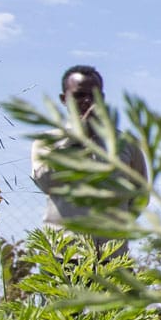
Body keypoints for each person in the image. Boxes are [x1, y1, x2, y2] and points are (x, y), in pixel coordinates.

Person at [30, 63, 146, 229]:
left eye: (94, 95)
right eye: (79, 95)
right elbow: (45, 182)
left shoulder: (126, 144)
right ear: (64, 99)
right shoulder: (47, 142)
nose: (87, 101)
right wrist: (75, 138)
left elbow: (140, 195)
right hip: (66, 251)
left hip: (112, 250)